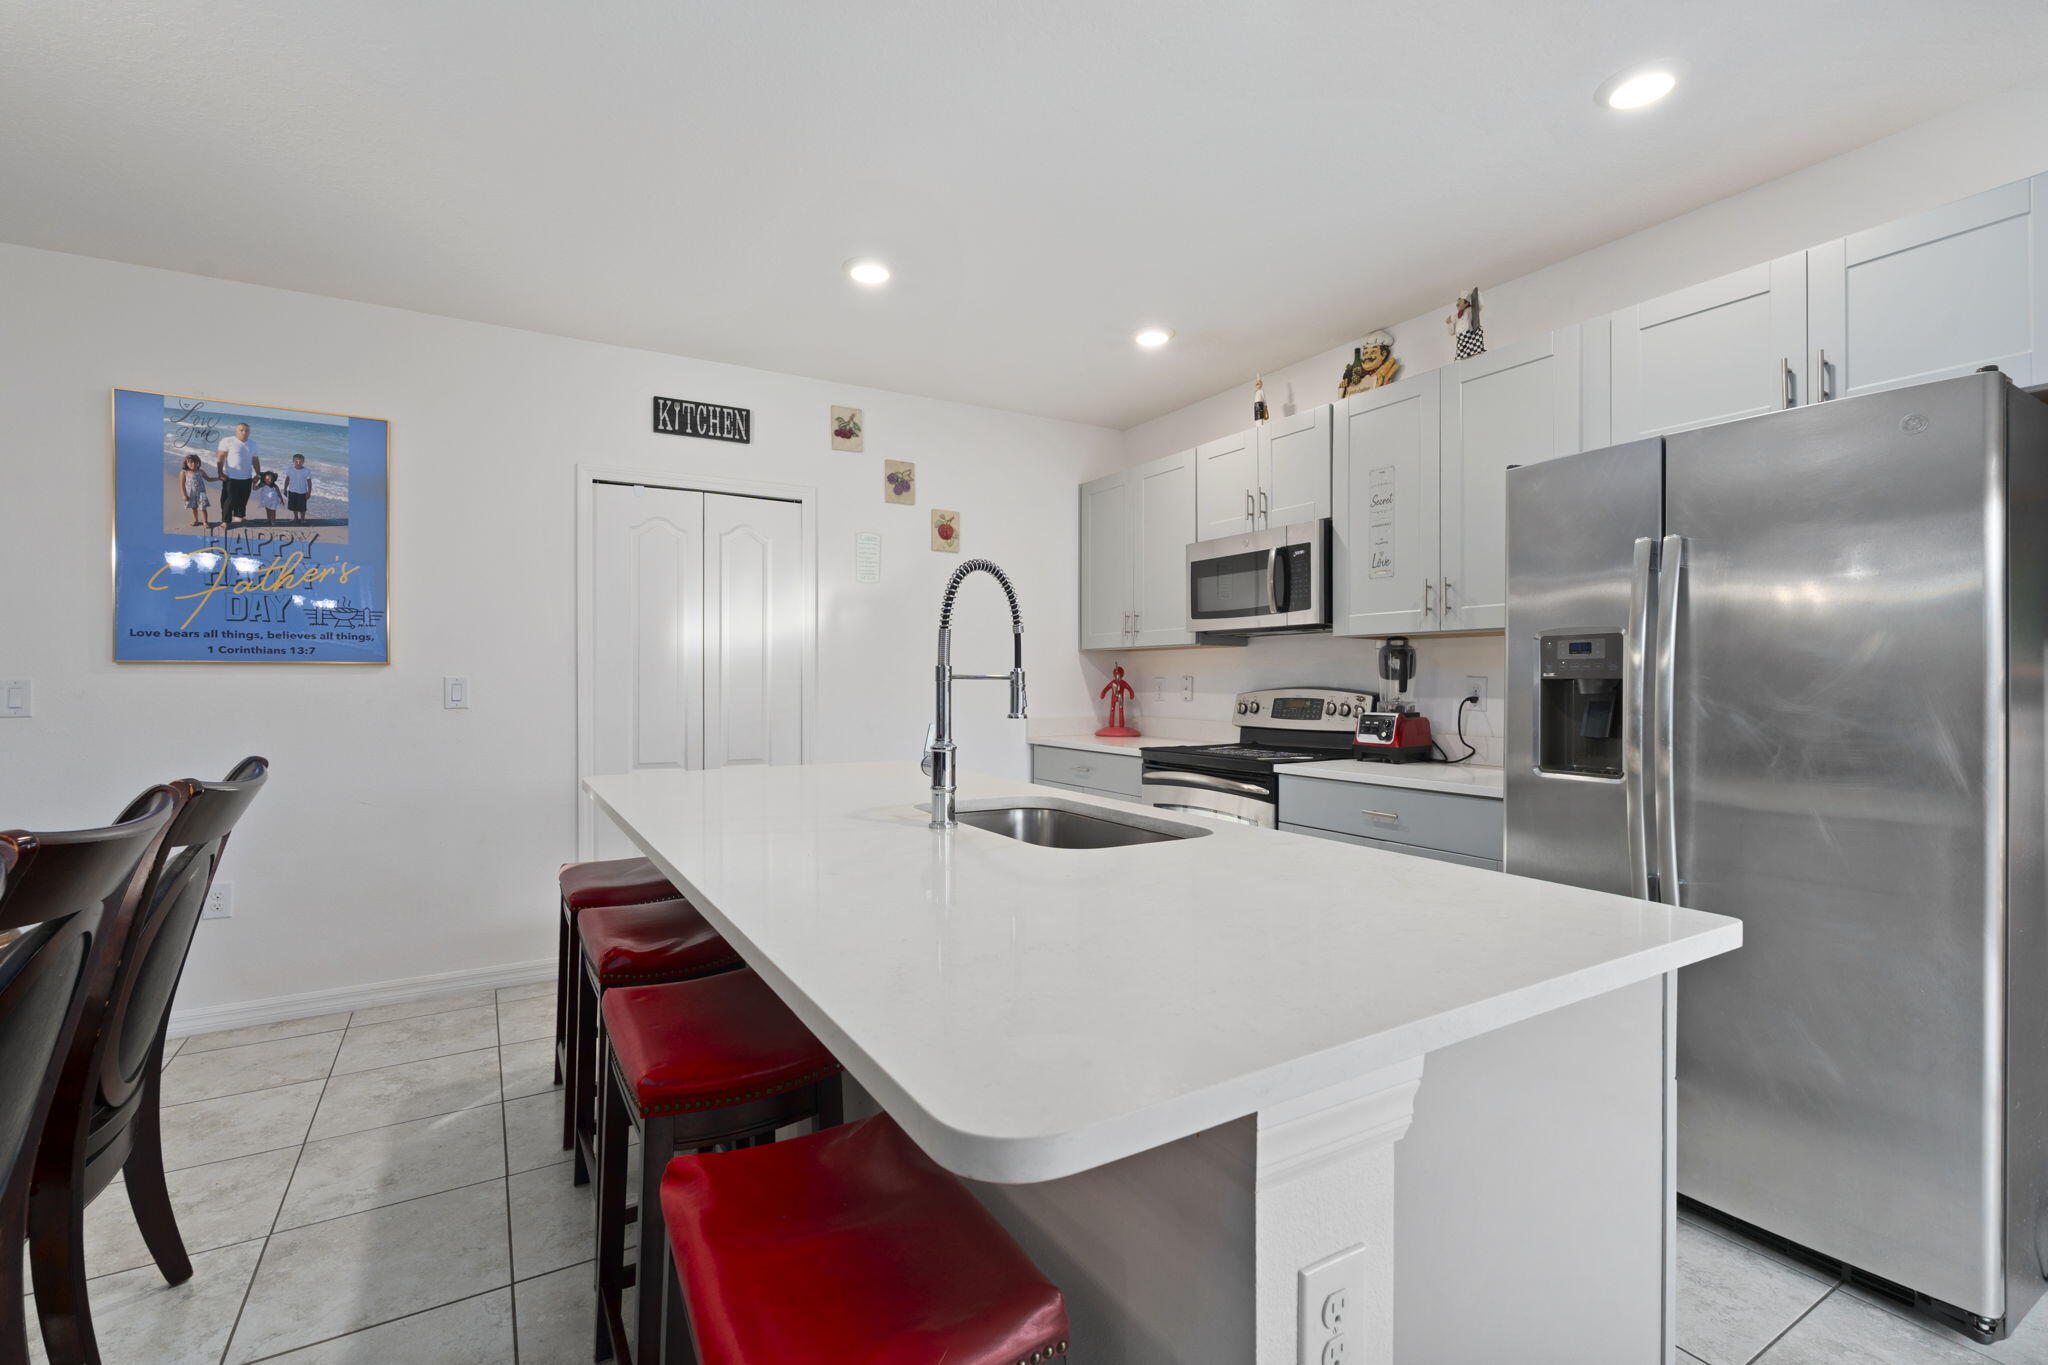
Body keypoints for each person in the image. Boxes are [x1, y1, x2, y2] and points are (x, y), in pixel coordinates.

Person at [215, 421, 262, 529]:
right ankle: (225, 521)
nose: (244, 432)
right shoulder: (227, 441)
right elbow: (221, 457)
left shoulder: (253, 444)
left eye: (247, 430)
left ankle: (239, 516)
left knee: (243, 499)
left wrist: (258, 475)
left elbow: (255, 460)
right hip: (231, 477)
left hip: (246, 477)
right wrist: (220, 472)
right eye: (241, 430)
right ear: (236, 431)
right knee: (228, 500)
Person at [178, 453, 219, 529]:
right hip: (190, 494)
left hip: (201, 493)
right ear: (186, 463)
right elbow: (182, 485)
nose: (193, 464)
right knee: (193, 508)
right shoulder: (184, 472)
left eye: (195, 462)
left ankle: (205, 522)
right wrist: (184, 495)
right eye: (190, 462)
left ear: (198, 463)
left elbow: (209, 479)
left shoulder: (200, 471)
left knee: (203, 508)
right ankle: (195, 520)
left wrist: (218, 478)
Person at [282, 453, 314, 523]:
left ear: (303, 462)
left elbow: (309, 482)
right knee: (293, 506)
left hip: (302, 492)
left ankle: (302, 519)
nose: (298, 463)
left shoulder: (306, 470)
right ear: (293, 461)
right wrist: (285, 489)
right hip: (292, 491)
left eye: (301, 461)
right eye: (296, 461)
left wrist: (309, 493)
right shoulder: (290, 469)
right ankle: (295, 518)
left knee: (302, 508)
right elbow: (287, 479)